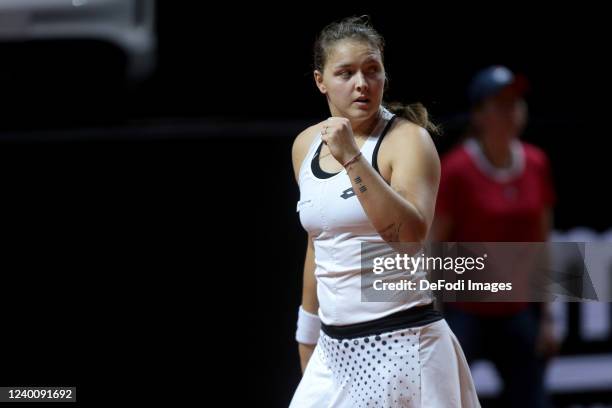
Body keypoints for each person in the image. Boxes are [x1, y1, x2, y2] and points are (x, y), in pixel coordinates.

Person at [290, 16, 480, 407]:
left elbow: (410, 239)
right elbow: (318, 243)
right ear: (320, 81)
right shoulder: (304, 145)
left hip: (404, 343)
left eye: (371, 70)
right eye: (345, 73)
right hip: (334, 349)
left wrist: (352, 159)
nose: (361, 83)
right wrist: (307, 333)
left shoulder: (408, 140)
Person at [432, 65, 558, 407]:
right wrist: (431, 317)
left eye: (516, 103)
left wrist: (547, 317)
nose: (511, 112)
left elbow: (541, 243)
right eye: (500, 104)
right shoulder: (456, 169)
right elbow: (434, 246)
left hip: (517, 311)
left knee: (532, 400)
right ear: (479, 115)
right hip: (464, 312)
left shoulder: (536, 162)